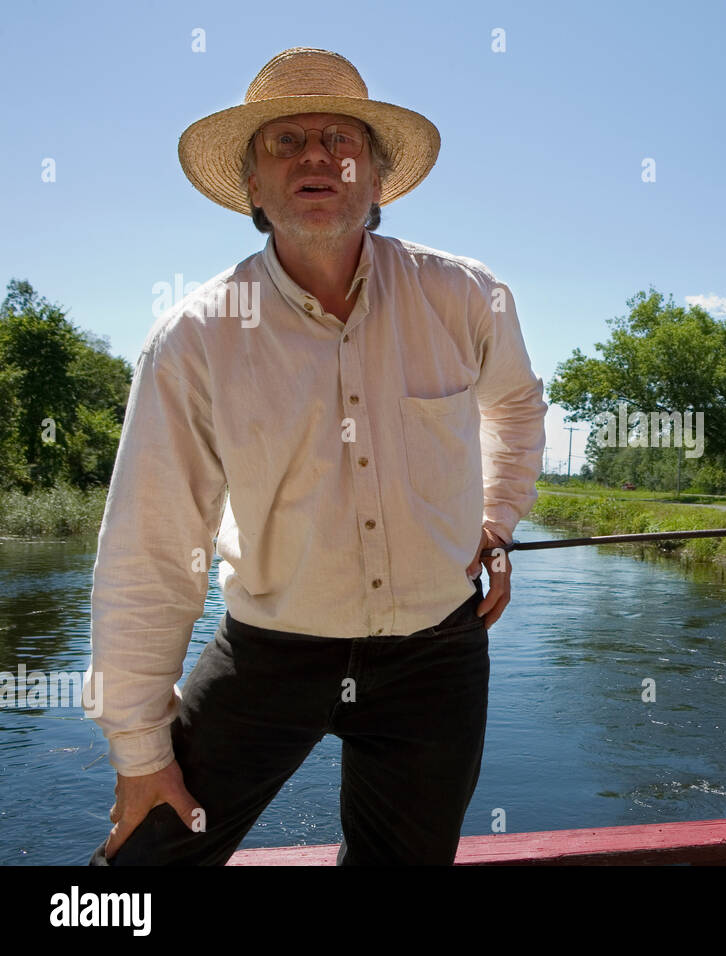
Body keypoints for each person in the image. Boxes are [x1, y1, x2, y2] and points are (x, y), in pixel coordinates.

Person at [85, 47, 547, 865]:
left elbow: (513, 404)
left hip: (436, 655)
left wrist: (498, 519)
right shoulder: (194, 339)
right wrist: (138, 749)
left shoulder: (466, 296)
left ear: (375, 180)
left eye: (340, 137)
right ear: (254, 191)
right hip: (270, 650)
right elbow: (151, 548)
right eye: (284, 140)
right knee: (144, 868)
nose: (315, 154)